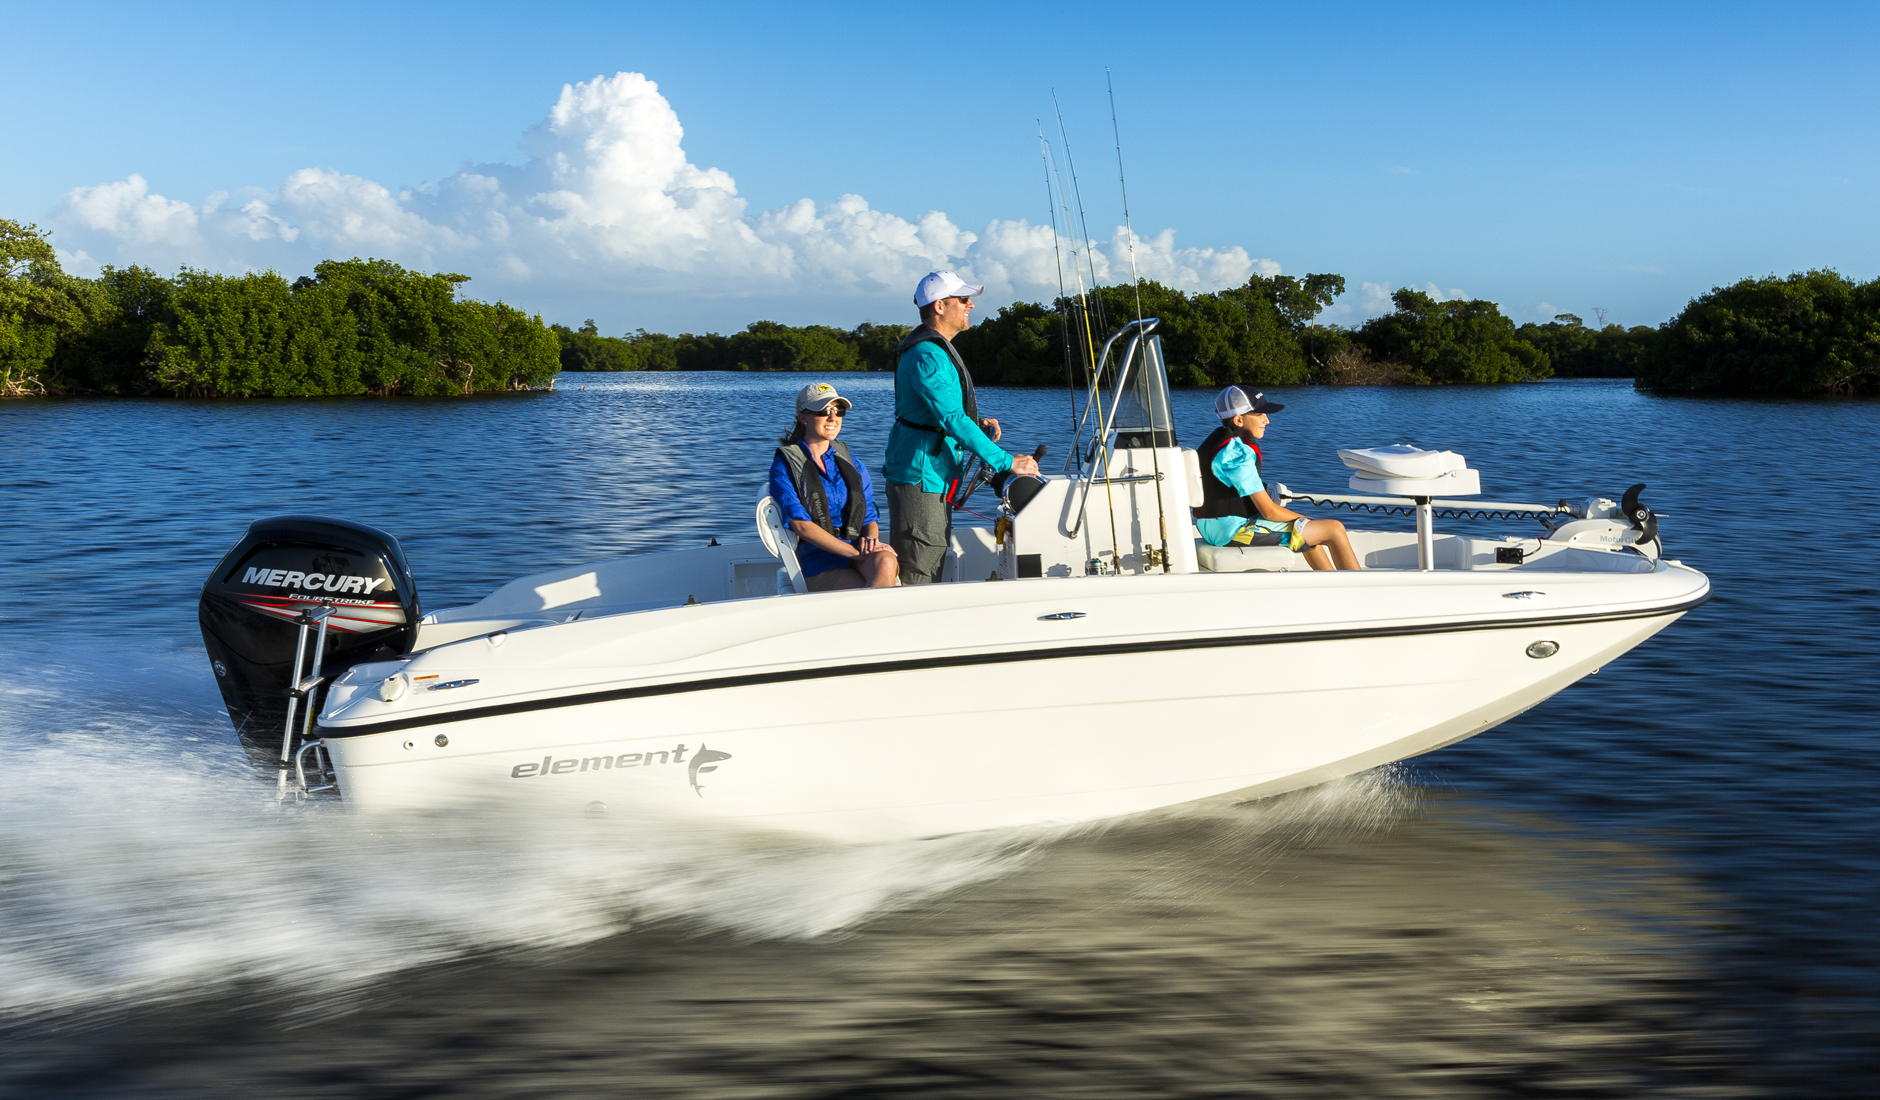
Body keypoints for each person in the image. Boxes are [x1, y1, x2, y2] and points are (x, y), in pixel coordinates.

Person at [884, 270, 1040, 584]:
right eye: (963, 299)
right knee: (922, 570)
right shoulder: (927, 356)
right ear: (940, 306)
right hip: (922, 477)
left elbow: (945, 415)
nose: (970, 304)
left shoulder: (933, 351)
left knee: (931, 556)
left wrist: (976, 424)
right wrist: (1008, 462)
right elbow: (952, 420)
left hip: (932, 475)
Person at [1192, 385, 1361, 571]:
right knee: (1333, 529)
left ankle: (1333, 585)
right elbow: (1269, 512)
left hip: (1212, 526)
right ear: (1239, 420)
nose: (1267, 420)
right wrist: (1306, 519)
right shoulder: (1238, 454)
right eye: (1259, 415)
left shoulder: (1220, 442)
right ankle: (1360, 593)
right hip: (1232, 530)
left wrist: (1305, 523)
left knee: (1309, 532)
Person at [769, 382, 899, 591]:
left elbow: (869, 516)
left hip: (857, 551)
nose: (833, 418)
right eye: (824, 411)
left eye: (838, 411)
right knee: (861, 589)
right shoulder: (784, 465)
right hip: (819, 562)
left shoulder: (851, 462)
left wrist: (872, 542)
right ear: (803, 417)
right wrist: (855, 553)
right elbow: (801, 526)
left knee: (886, 561)